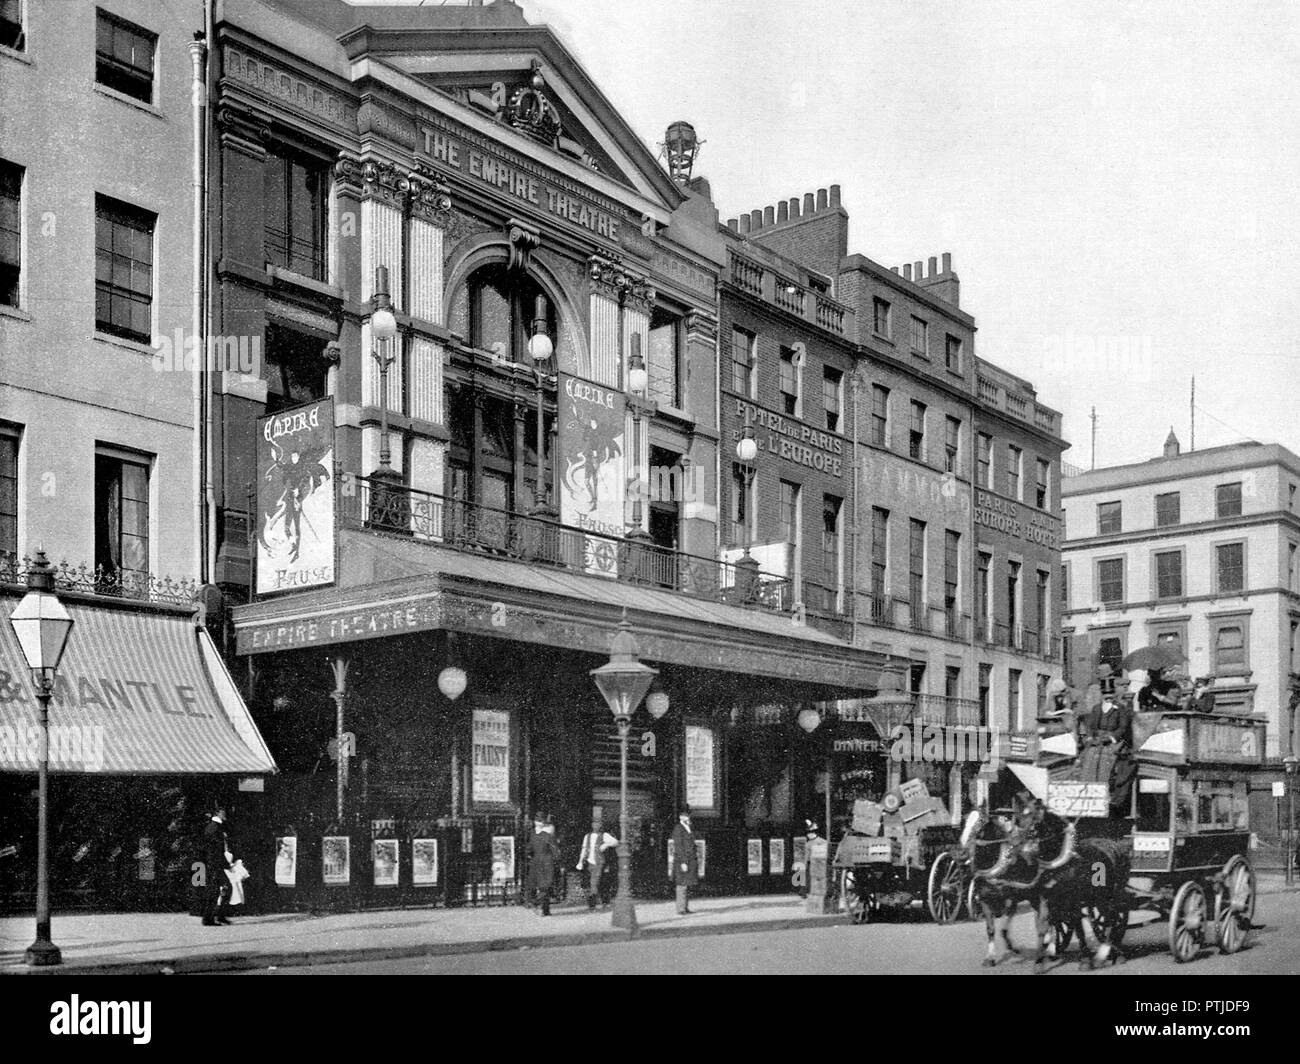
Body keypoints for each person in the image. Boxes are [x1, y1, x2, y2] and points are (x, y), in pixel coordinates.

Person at [1080, 692, 1136, 817]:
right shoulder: (1096, 708)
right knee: (1089, 756)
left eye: (1111, 697)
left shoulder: (1120, 709)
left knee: (1108, 757)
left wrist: (1111, 738)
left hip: (1113, 741)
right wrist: (1090, 737)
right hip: (1097, 739)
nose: (1108, 699)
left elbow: (1123, 727)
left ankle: (1104, 794)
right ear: (1102, 697)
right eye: (1106, 697)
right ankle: (1089, 794)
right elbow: (1091, 726)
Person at [575, 820, 619, 911]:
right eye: (594, 824)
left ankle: (593, 905)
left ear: (601, 826)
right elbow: (584, 849)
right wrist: (580, 861)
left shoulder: (604, 835)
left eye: (598, 824)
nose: (596, 826)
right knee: (592, 883)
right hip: (589, 862)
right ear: (592, 825)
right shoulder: (587, 836)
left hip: (599, 862)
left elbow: (615, 842)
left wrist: (606, 844)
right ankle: (599, 903)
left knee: (594, 883)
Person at [200, 807, 233, 926]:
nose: (225, 814)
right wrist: (227, 864)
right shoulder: (215, 828)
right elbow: (216, 850)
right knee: (216, 890)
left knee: (222, 888)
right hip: (215, 864)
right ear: (217, 813)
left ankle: (217, 916)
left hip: (213, 864)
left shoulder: (212, 827)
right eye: (223, 812)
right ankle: (210, 918)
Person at [526, 813, 559, 916]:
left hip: (537, 862)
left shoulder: (533, 835)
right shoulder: (547, 835)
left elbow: (528, 850)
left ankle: (544, 909)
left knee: (542, 886)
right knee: (546, 886)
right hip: (546, 863)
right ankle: (541, 906)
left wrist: (530, 856)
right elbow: (555, 851)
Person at [670, 811, 699, 915]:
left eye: (688, 816)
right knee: (682, 884)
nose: (687, 818)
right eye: (685, 816)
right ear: (681, 817)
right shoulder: (678, 828)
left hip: (690, 860)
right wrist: (683, 862)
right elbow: (678, 846)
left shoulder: (689, 828)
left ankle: (685, 907)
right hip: (682, 860)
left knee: (687, 884)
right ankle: (681, 908)